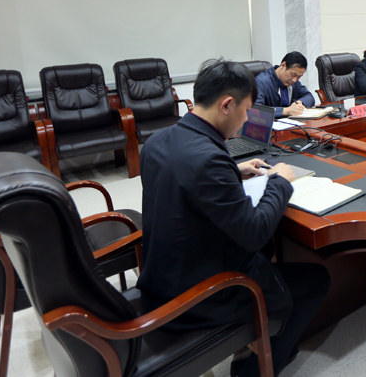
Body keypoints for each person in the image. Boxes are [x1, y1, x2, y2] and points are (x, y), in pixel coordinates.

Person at [137, 59, 330, 377]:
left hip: (162, 274)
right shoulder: (209, 160)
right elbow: (255, 232)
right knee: (315, 279)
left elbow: (182, 184)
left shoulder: (158, 140)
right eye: (246, 111)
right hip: (198, 295)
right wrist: (280, 182)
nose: (246, 121)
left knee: (268, 254)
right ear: (226, 105)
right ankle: (254, 369)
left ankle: (261, 343)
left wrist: (232, 171)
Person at [255, 51, 315, 118]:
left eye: (299, 76)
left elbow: (309, 97)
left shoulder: (294, 82)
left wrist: (299, 103)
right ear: (283, 65)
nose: (295, 80)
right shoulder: (261, 82)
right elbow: (256, 111)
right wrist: (286, 111)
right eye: (293, 74)